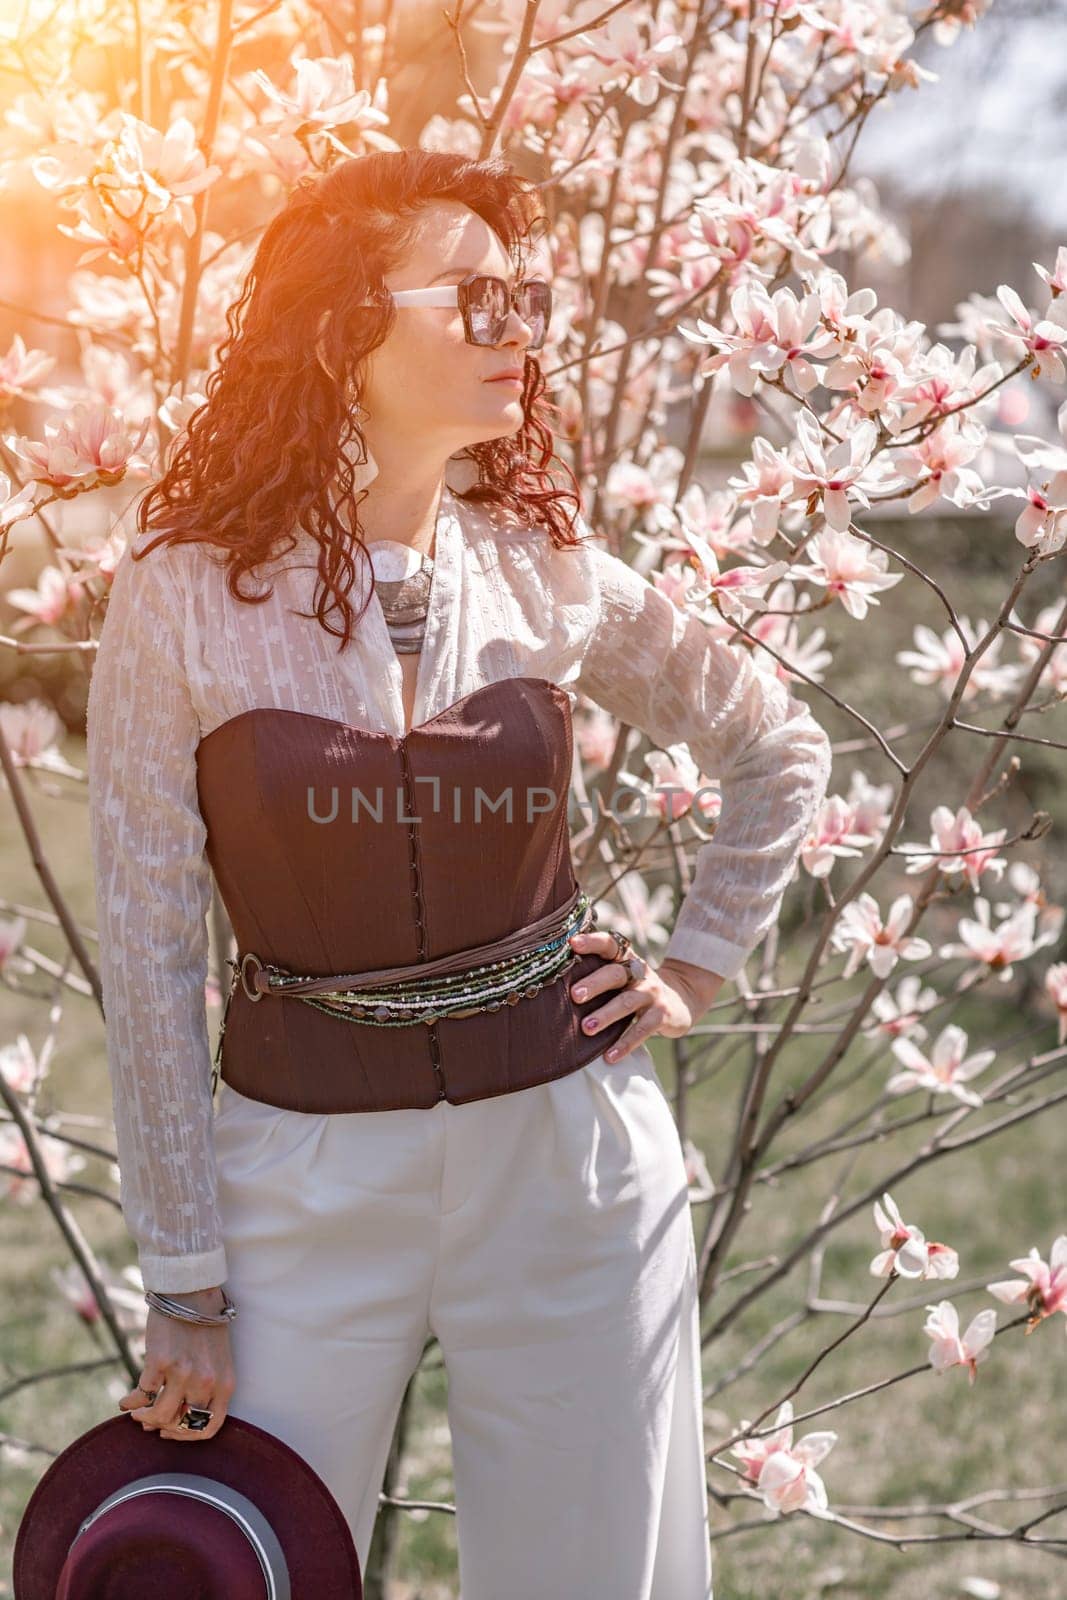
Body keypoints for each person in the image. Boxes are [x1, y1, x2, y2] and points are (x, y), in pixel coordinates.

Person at [85, 148, 832, 1599]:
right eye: (476, 296)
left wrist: (690, 971)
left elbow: (775, 743)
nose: (518, 327)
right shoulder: (179, 597)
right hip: (295, 1183)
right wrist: (184, 1276)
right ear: (337, 330)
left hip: (569, 1167)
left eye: (530, 298)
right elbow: (150, 945)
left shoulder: (546, 571)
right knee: (246, 1570)